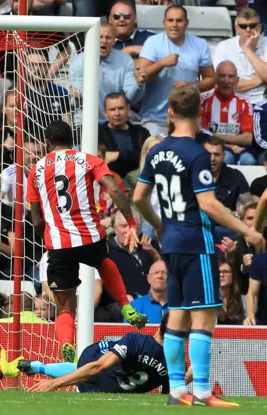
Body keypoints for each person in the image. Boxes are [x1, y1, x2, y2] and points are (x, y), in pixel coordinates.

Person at [133, 84, 263, 407]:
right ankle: (203, 391)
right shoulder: (196, 153)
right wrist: (248, 231)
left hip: (172, 243)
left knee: (176, 314)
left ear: (171, 113)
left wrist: (160, 225)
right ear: (202, 113)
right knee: (204, 317)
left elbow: (138, 197)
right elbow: (208, 204)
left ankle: (177, 391)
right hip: (196, 242)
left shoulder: (156, 150)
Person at [26, 120, 148, 364]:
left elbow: (37, 218)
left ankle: (66, 342)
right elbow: (114, 191)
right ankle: (125, 305)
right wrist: (131, 222)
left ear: (48, 143)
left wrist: (48, 239)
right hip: (89, 235)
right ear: (71, 139)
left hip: (59, 244)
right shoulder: (88, 160)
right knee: (103, 261)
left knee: (65, 307)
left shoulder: (37, 169)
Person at [26, 314, 194, 394]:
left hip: (110, 379)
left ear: (158, 327)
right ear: (185, 337)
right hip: (97, 358)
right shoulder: (177, 363)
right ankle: (40, 366)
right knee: (94, 371)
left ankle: (39, 367)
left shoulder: (135, 340)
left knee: (99, 373)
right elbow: (166, 396)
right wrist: (54, 384)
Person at [137, 5, 215, 135]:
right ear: (164, 23)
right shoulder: (152, 43)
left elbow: (211, 79)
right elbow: (141, 76)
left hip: (187, 117)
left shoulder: (200, 44)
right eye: (170, 20)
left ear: (187, 23)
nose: (174, 25)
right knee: (153, 152)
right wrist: (162, 63)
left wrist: (192, 86)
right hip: (155, 118)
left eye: (179, 20)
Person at [217, 259, 244, 325]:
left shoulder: (242, 300)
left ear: (233, 275)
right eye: (218, 272)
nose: (221, 275)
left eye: (225, 272)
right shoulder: (209, 301)